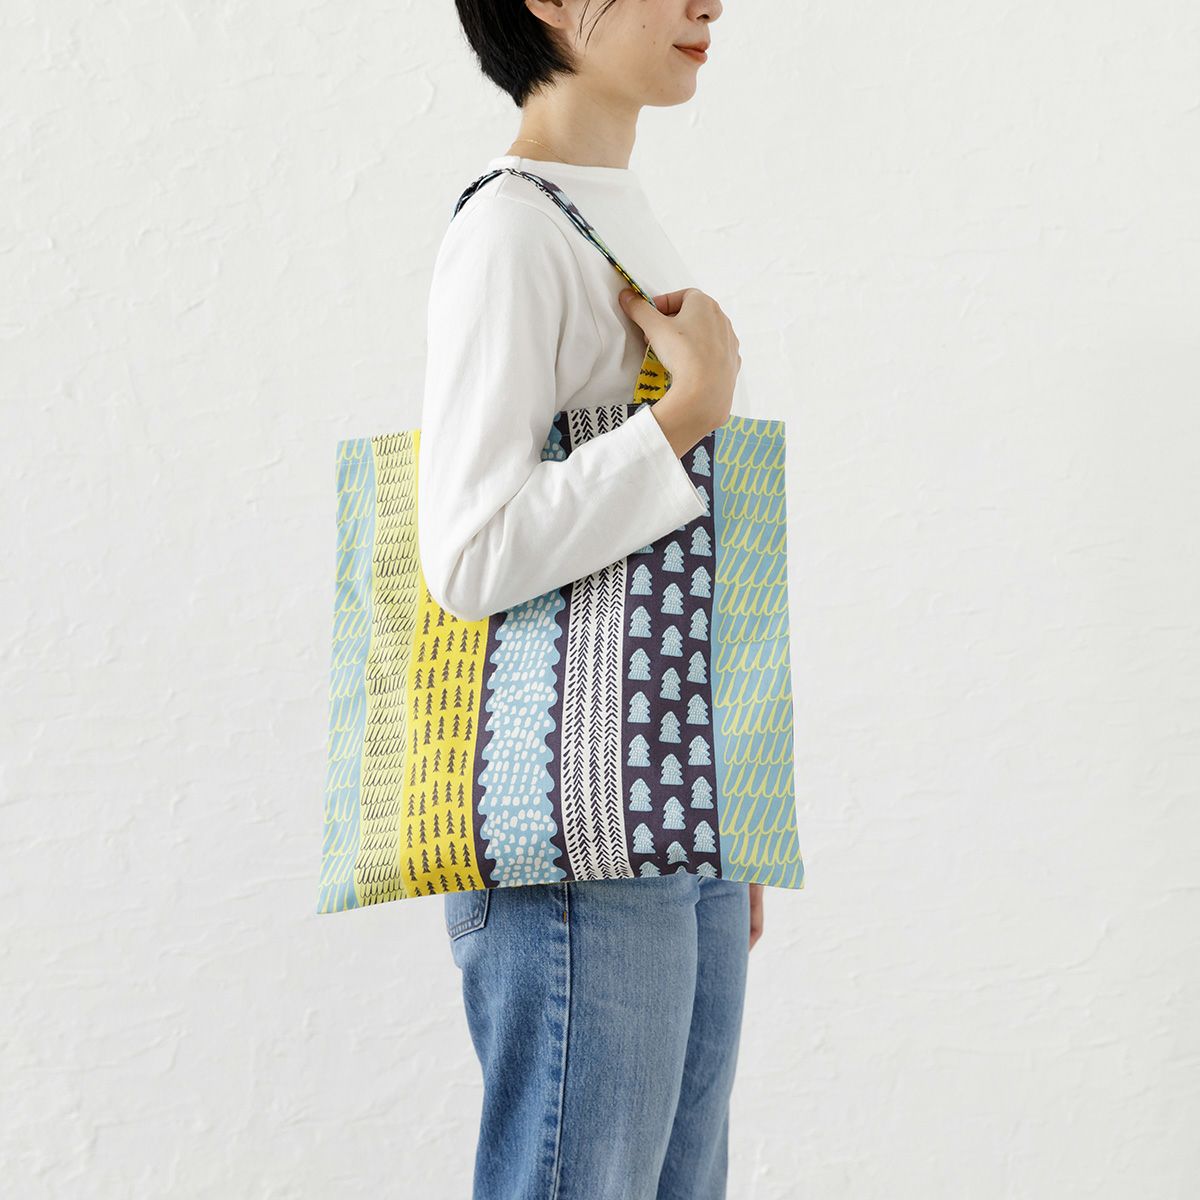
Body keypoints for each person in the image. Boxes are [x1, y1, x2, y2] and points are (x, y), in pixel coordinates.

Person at [417, 3, 763, 1197]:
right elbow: (467, 555)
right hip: (568, 826)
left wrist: (722, 800)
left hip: (663, 806)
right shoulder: (514, 229)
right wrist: (682, 418)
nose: (709, 2)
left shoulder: (611, 213)